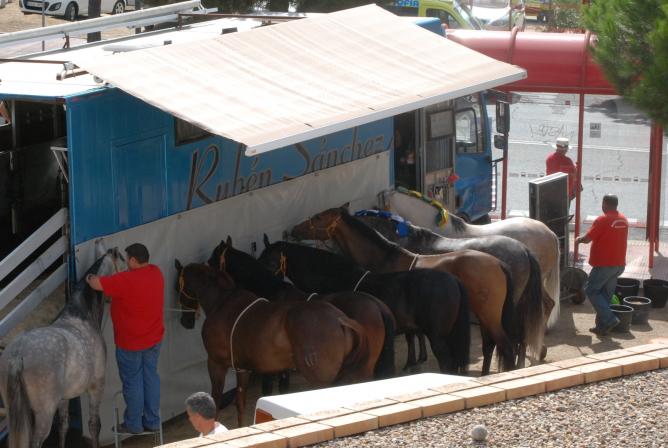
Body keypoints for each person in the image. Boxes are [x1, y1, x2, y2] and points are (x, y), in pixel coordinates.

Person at [87, 243, 164, 434]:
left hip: (130, 343)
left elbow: (96, 284)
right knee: (151, 378)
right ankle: (153, 422)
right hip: (154, 339)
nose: (126, 262)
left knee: (133, 382)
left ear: (133, 260)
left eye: (128, 259)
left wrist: (88, 276)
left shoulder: (125, 279)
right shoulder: (156, 272)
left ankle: (133, 424)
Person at [575, 194, 629, 336]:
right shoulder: (623, 219)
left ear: (605, 204)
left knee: (591, 290)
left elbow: (587, 239)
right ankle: (602, 326)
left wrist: (578, 239)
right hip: (618, 265)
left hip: (604, 264)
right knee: (605, 296)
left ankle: (610, 319)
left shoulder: (602, 219)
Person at [546, 137, 579, 202]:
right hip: (564, 195)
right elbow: (574, 176)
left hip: (551, 192)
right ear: (565, 150)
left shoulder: (549, 158)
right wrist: (576, 167)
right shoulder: (567, 161)